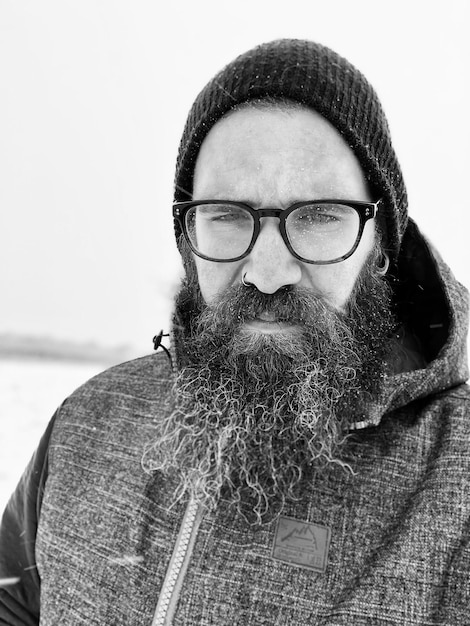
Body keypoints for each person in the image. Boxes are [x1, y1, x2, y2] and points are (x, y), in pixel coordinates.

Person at [0, 38, 469, 626]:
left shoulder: (455, 482)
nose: (268, 274)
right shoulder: (90, 420)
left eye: (321, 215)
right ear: (187, 235)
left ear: (379, 247)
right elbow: (13, 597)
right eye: (226, 215)